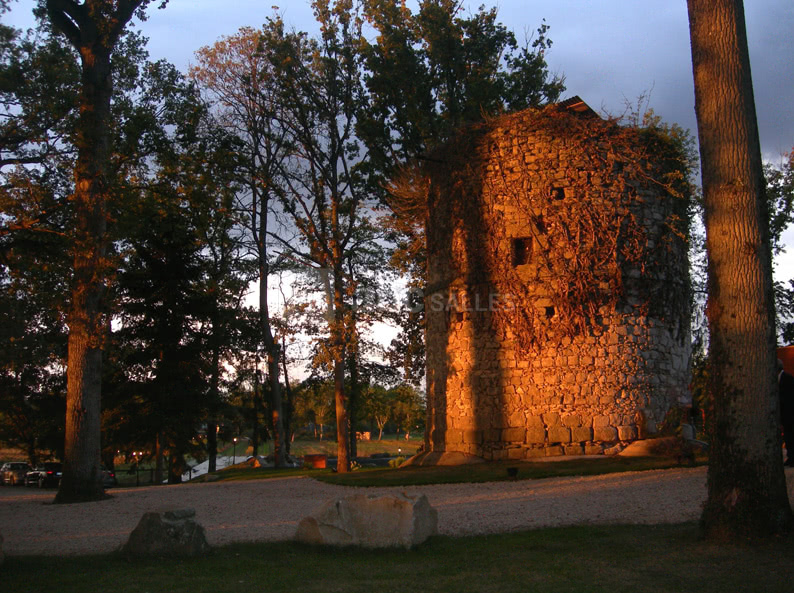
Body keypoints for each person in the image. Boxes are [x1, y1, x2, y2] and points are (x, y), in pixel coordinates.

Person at [777, 359, 794, 467]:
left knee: (791, 435)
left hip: (790, 413)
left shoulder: (788, 379)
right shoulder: (783, 379)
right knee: (788, 436)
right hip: (786, 414)